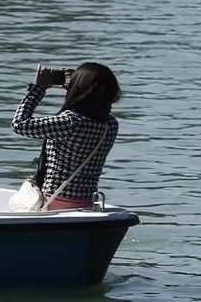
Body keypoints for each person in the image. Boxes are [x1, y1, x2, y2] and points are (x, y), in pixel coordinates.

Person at [10, 63, 121, 211]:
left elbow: (19, 124)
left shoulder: (71, 123)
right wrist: (79, 88)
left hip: (55, 201)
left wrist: (38, 89)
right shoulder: (111, 124)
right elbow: (90, 111)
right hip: (86, 201)